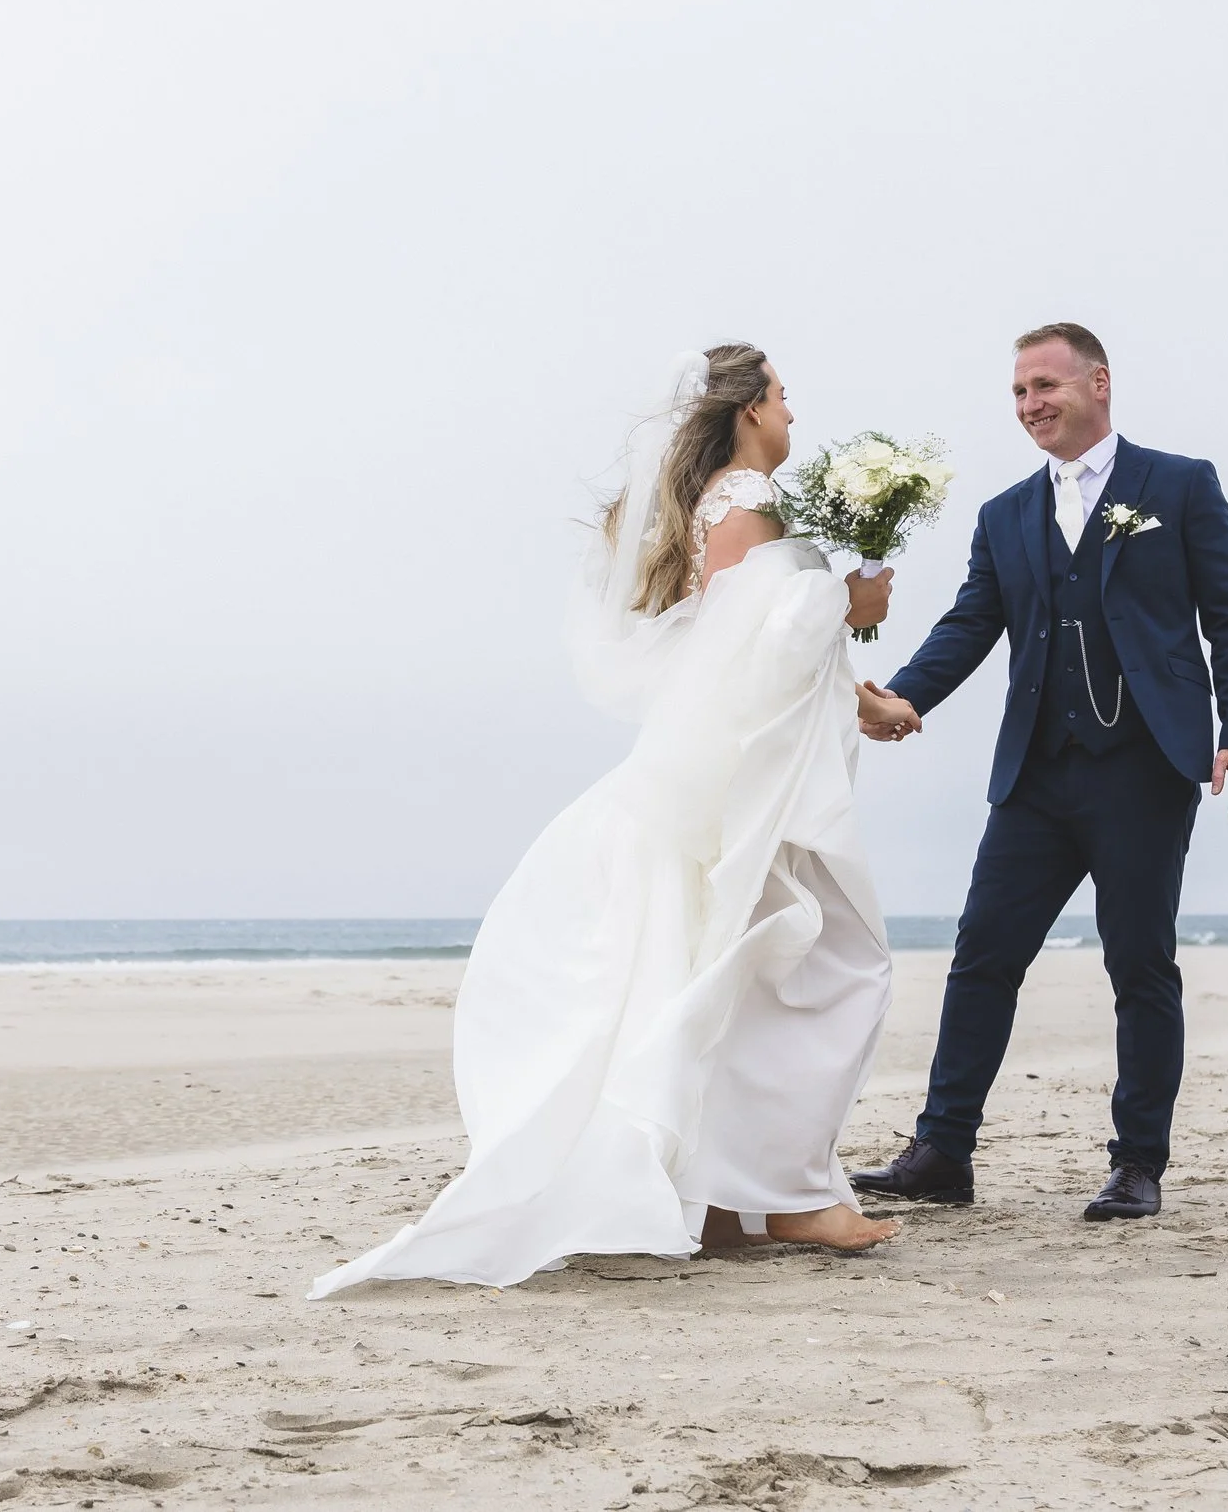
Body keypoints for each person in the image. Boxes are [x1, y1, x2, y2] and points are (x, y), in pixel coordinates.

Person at [311, 344, 922, 1297]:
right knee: (837, 963)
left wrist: (858, 691)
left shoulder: (716, 506)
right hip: (748, 787)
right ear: (751, 409)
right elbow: (763, 645)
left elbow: (744, 654)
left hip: (735, 768)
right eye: (784, 396)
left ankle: (725, 1200)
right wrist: (852, 598)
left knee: (741, 973)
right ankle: (790, 1195)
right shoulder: (744, 500)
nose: (794, 414)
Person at [852, 323, 1228, 1222]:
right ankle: (944, 1150)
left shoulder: (1180, 485)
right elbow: (972, 624)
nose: (1031, 405)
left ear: (1100, 384)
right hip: (1037, 774)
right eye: (1017, 393)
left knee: (1140, 966)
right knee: (982, 955)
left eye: (1045, 385)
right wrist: (904, 695)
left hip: (1146, 769)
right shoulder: (1005, 514)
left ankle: (1138, 1162)